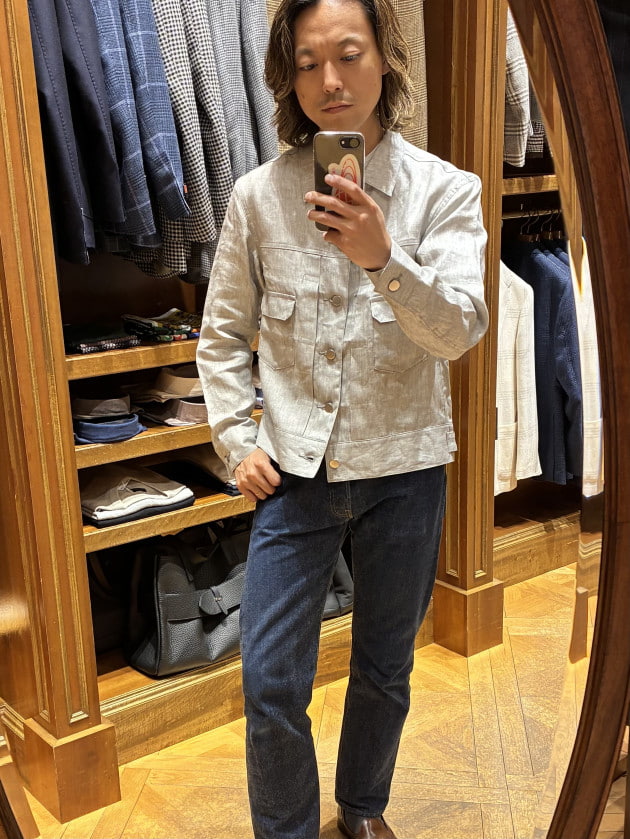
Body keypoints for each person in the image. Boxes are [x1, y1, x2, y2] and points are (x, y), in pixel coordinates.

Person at [196, 0, 489, 836]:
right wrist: (235, 438)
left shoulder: (446, 191)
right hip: (294, 470)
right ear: (288, 78)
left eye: (349, 54)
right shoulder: (258, 198)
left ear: (385, 59)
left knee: (385, 665)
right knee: (270, 680)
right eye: (308, 62)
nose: (330, 80)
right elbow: (221, 336)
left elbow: (460, 331)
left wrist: (384, 258)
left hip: (407, 466)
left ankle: (363, 808)